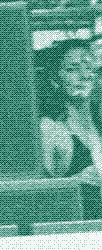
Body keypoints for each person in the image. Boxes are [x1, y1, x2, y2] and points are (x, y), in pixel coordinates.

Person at [38, 38, 102, 219]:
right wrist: (75, 181)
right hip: (80, 228)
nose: (84, 75)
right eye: (72, 69)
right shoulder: (50, 128)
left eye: (89, 67)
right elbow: (39, 197)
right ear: (55, 79)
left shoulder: (98, 121)